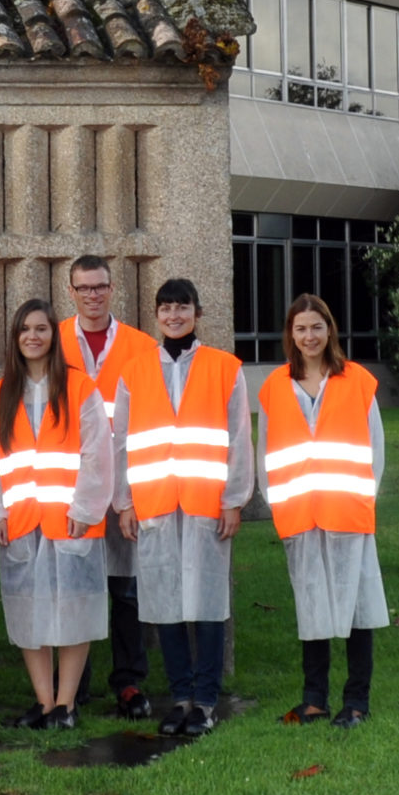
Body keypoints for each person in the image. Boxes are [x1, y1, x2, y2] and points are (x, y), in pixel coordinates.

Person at [114, 278, 252, 738]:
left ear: (197, 312)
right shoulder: (133, 371)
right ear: (156, 315)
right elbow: (121, 442)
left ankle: (206, 701)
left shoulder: (224, 367)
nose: (174, 315)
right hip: (153, 504)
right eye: (166, 308)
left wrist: (234, 499)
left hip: (205, 503)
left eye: (183, 307)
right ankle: (180, 696)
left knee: (207, 602)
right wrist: (124, 502)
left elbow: (238, 439)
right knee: (165, 602)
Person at [0, 298, 115, 728]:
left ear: (54, 336)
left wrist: (87, 507)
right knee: (27, 612)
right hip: (20, 522)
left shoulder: (79, 388)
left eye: (41, 329)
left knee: (74, 610)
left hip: (70, 519)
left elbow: (98, 452)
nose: (32, 337)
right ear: (15, 339)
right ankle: (44, 701)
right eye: (24, 330)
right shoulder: (0, 394)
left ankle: (67, 705)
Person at [255, 293, 388, 728]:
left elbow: (376, 451)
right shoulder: (275, 386)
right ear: (290, 335)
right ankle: (314, 699)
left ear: (329, 329)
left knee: (355, 608)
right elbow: (265, 454)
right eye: (300, 328)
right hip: (300, 515)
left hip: (346, 512)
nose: (309, 336)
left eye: (316, 327)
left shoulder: (357, 381)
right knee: (311, 606)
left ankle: (357, 701)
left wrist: (363, 500)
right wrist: (278, 507)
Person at [61, 254, 161, 719]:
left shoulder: (141, 347)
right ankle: (72, 687)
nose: (93, 296)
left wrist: (132, 494)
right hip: (70, 485)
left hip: (123, 485)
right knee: (75, 585)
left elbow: (146, 421)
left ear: (112, 287)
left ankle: (128, 681)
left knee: (124, 588)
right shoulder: (53, 339)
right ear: (72, 292)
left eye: (100, 287)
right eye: (84, 288)